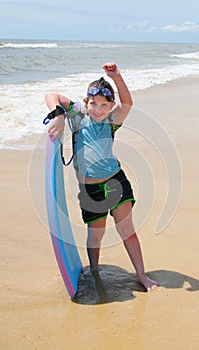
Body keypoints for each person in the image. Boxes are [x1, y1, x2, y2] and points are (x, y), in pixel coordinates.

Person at [45, 62, 158, 292]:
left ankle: (143, 276)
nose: (98, 110)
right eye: (94, 104)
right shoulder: (77, 115)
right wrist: (58, 115)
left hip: (116, 183)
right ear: (86, 103)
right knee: (95, 236)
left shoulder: (112, 121)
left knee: (128, 232)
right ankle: (94, 271)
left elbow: (128, 103)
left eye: (104, 105)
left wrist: (116, 77)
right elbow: (51, 95)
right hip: (91, 191)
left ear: (111, 106)